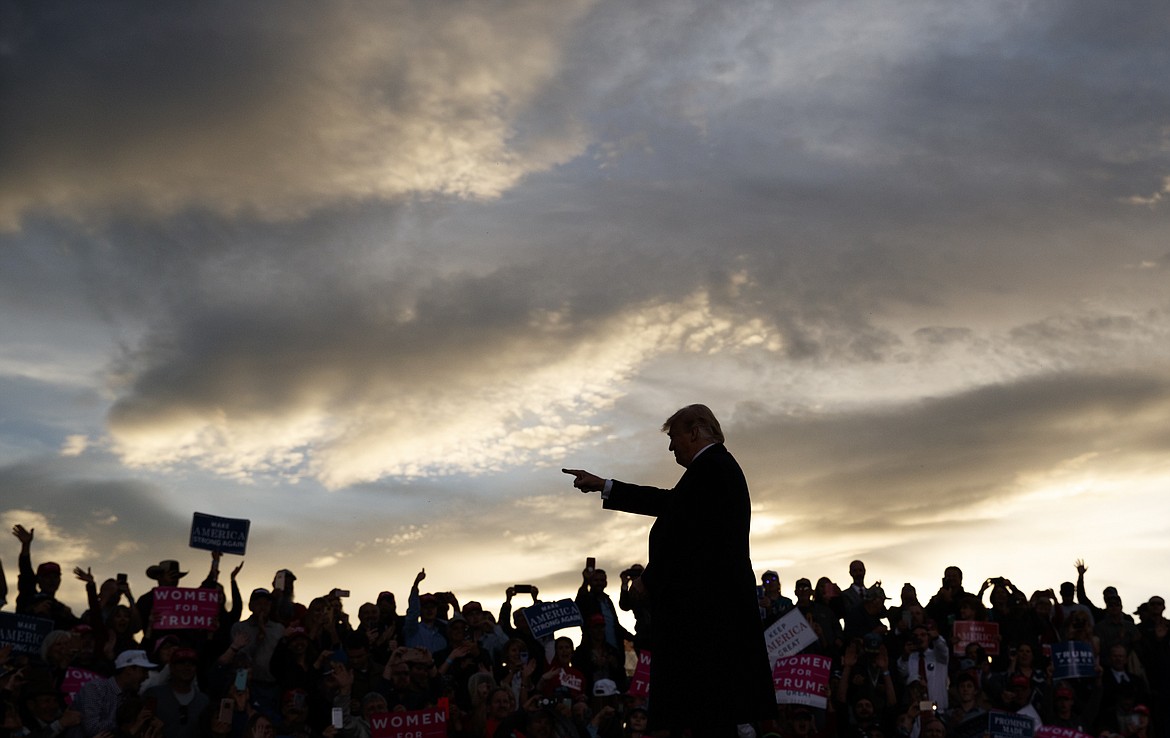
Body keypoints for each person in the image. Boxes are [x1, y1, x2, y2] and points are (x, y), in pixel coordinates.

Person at [563, 403, 775, 736]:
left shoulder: (713, 468)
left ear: (695, 431)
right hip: (709, 616)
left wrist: (650, 579)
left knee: (707, 713)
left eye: (674, 437)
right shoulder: (712, 469)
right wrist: (605, 485)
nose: (671, 447)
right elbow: (669, 504)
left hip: (707, 618)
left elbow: (687, 536)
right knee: (709, 714)